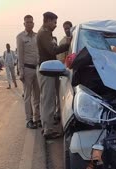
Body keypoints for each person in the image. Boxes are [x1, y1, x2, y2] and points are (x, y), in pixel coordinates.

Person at [37, 11, 70, 139]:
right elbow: (53, 50)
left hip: (49, 69)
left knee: (47, 99)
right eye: (54, 22)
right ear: (48, 21)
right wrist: (67, 45)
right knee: (48, 100)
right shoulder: (44, 33)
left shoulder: (46, 33)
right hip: (47, 70)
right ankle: (48, 131)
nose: (56, 25)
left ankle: (47, 126)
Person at [16, 14, 41, 129]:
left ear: (33, 23)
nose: (29, 24)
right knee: (27, 96)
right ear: (24, 24)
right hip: (27, 70)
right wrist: (20, 71)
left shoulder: (37, 36)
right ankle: (29, 120)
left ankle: (37, 118)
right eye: (27, 22)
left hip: (37, 69)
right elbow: (20, 56)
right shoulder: (20, 37)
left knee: (37, 95)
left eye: (31, 22)